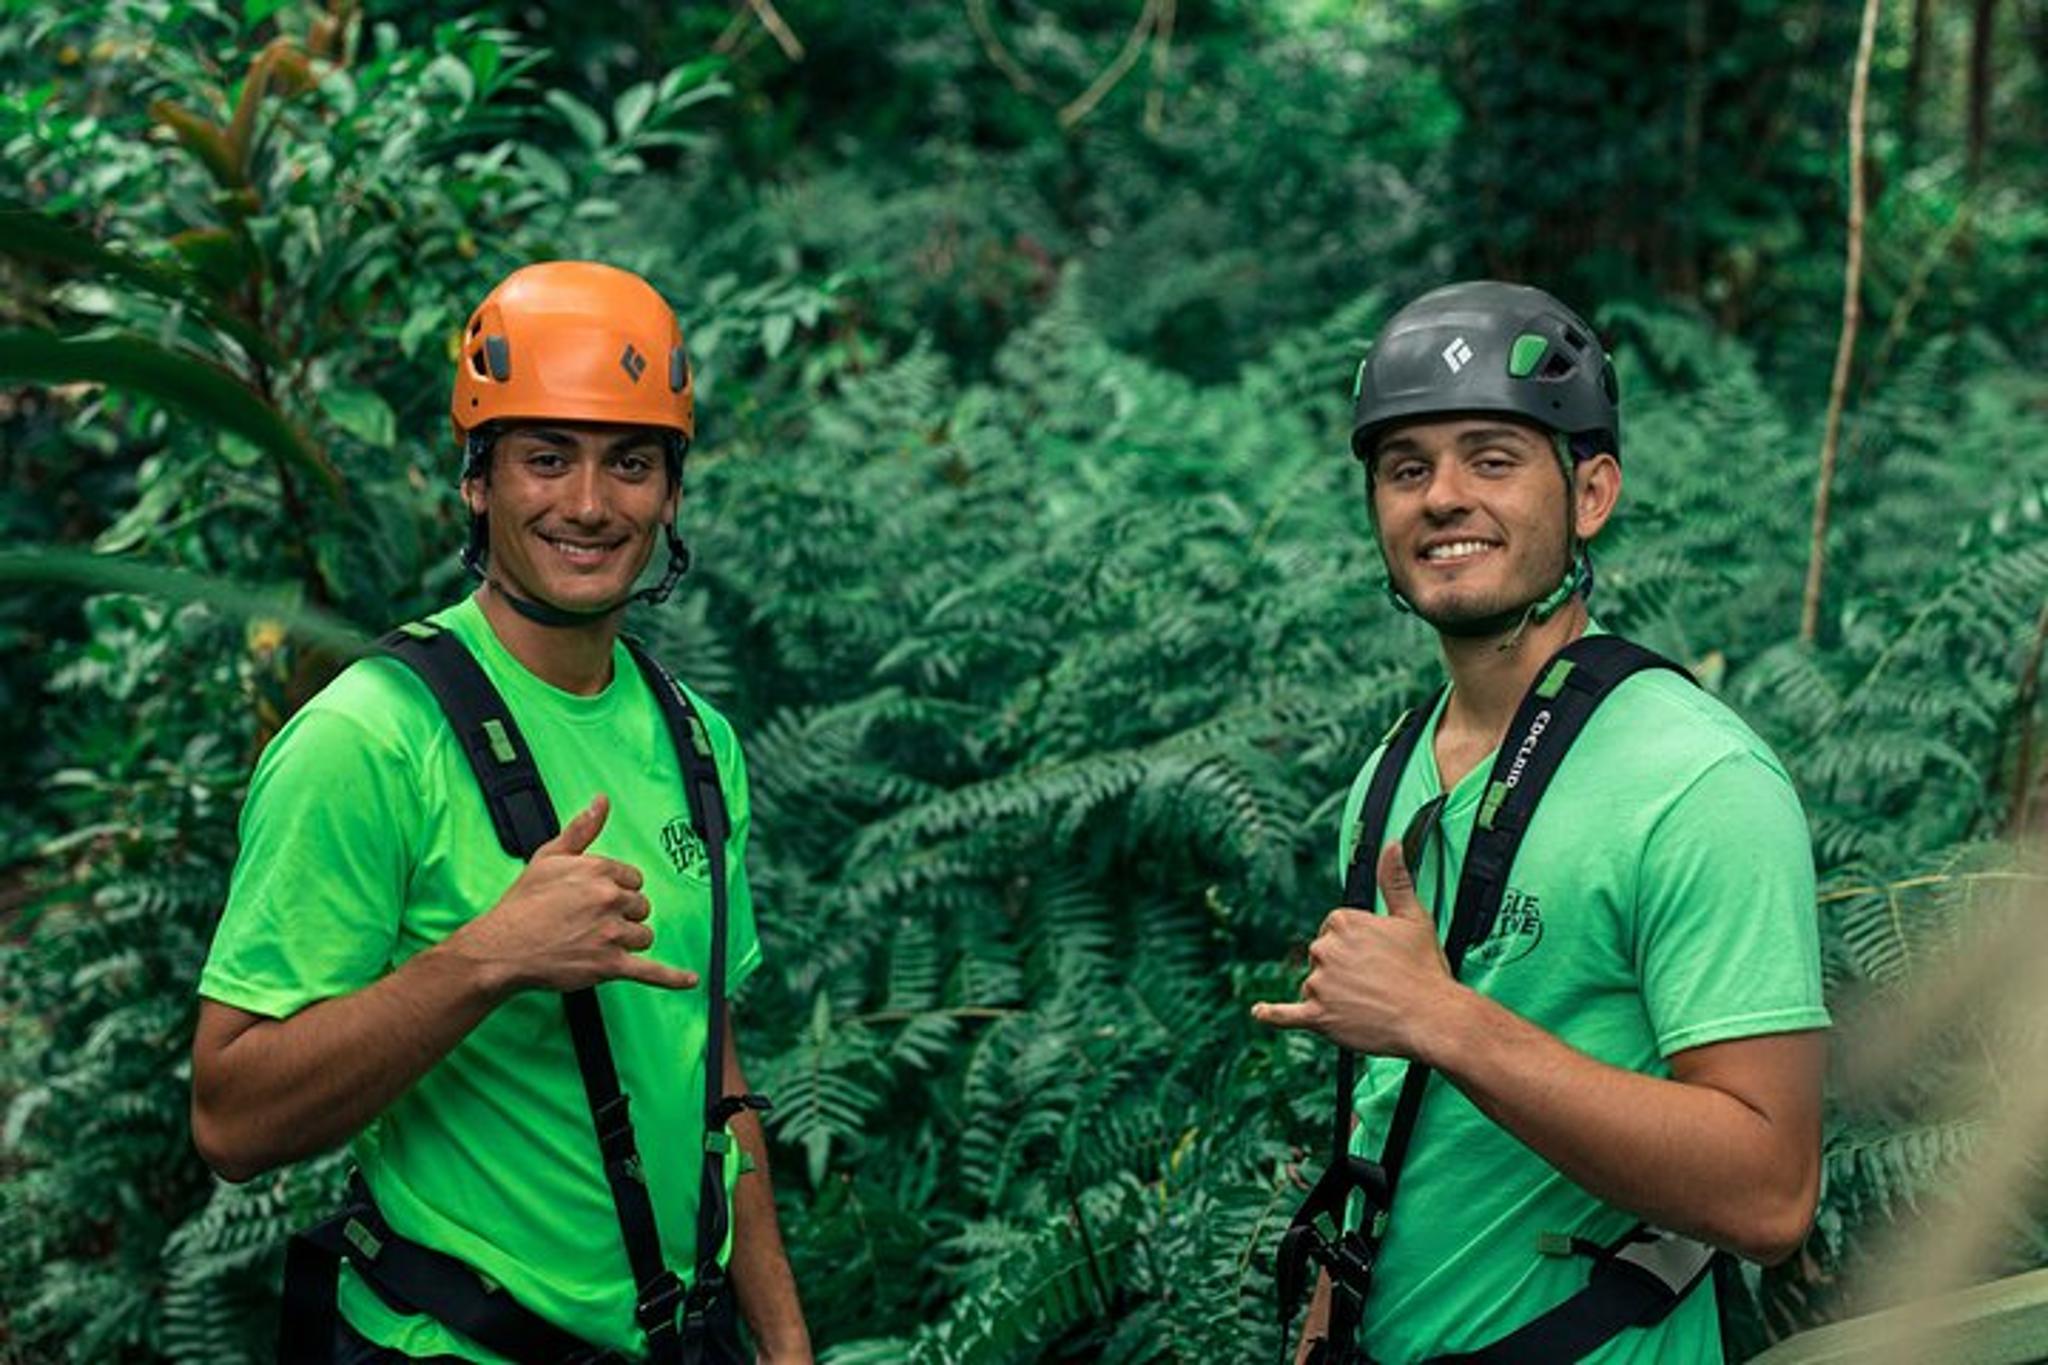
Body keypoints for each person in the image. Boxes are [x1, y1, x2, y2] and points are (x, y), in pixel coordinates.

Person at [190, 261, 812, 1363]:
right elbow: (231, 1120)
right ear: (477, 482)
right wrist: (485, 959)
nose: (586, 504)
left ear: (671, 495)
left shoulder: (694, 740)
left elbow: (712, 1070)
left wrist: (784, 1345)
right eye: (544, 458)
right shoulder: (368, 740)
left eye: (629, 463)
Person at [1252, 281, 1829, 1364]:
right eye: (1405, 467)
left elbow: (1769, 1193)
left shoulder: (1695, 779)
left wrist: (1443, 1019)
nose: (1442, 498)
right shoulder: (1388, 778)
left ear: (1591, 492)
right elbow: (1390, 1119)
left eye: (1493, 457)